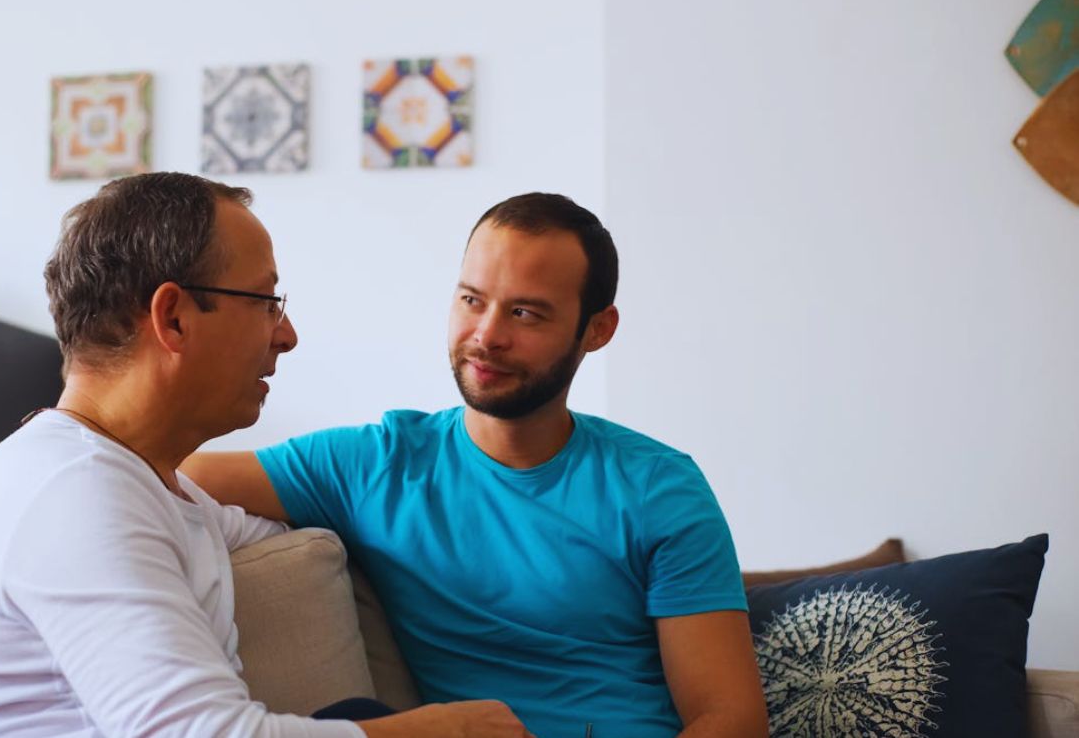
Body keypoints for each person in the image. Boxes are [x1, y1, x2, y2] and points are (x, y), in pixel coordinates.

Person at [0, 172, 531, 737]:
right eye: (266, 302)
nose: (286, 335)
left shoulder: (129, 488)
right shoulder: (74, 493)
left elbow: (257, 529)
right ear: (174, 317)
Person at [182, 193, 770, 737]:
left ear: (597, 330)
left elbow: (729, 717)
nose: (487, 337)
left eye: (526, 314)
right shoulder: (376, 464)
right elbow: (158, 471)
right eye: (472, 300)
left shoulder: (659, 486)